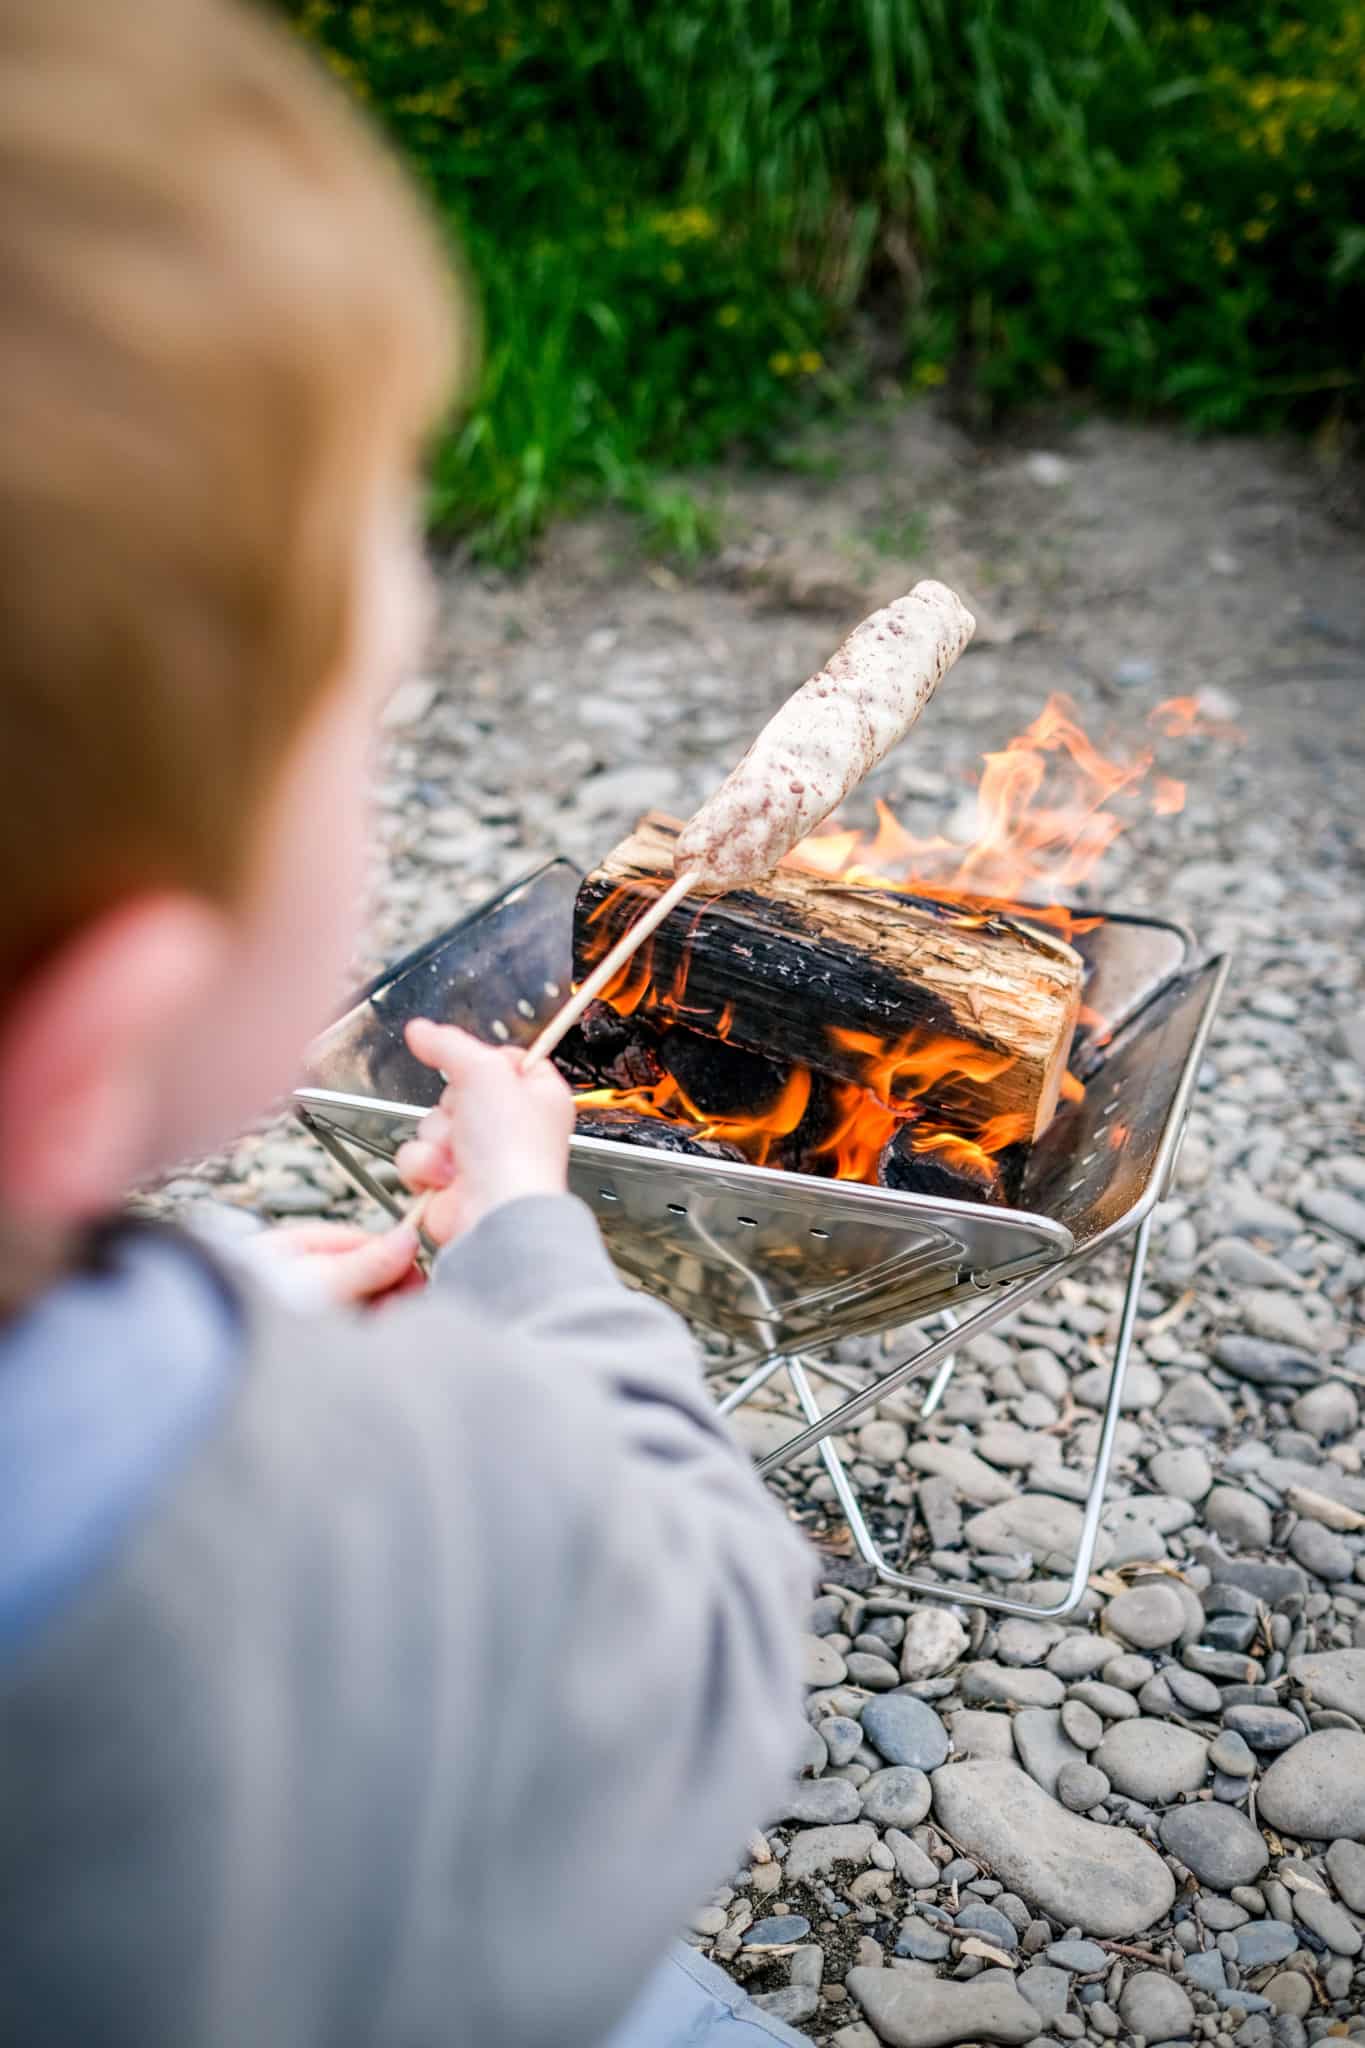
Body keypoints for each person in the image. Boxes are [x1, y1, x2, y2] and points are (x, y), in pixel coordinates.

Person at [0, 2, 815, 2042]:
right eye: (372, 733)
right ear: (100, 1024)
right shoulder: (343, 1516)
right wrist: (532, 1246)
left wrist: (187, 1318)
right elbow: (708, 1619)